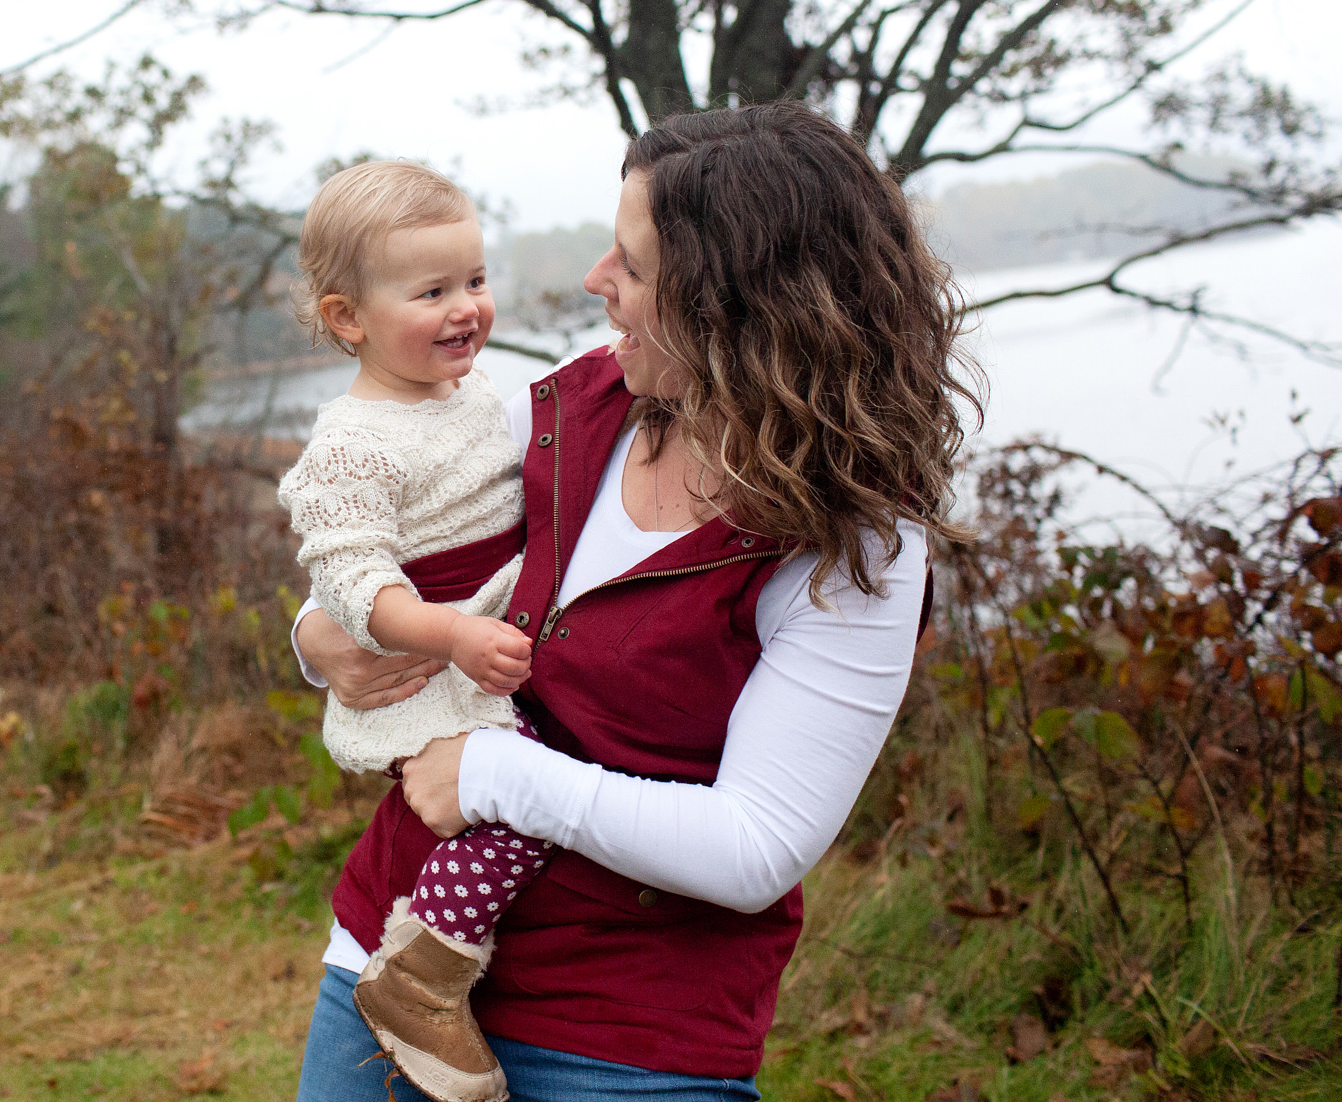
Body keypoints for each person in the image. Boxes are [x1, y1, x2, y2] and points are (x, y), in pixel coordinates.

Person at [291, 105, 981, 1102]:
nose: (592, 282)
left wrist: (491, 772)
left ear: (731, 304)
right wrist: (317, 639)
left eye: (630, 264)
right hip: (383, 960)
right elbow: (398, 546)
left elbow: (754, 847)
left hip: (619, 1038)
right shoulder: (580, 408)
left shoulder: (855, 546)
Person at [277, 159, 554, 1102]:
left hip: (475, 653)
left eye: (474, 281)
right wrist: (447, 636)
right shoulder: (352, 441)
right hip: (433, 672)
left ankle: (422, 966)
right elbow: (354, 580)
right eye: (431, 291)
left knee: (532, 794)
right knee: (513, 806)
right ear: (348, 317)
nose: (464, 308)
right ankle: (425, 974)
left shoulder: (479, 400)